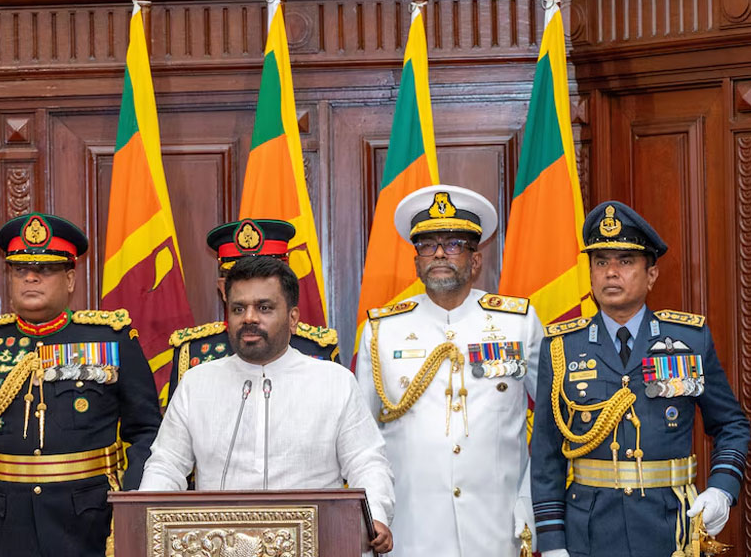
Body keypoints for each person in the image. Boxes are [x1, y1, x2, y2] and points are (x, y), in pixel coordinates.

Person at [531, 200, 750, 557]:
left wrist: (721, 489)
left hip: (668, 529)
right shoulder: (561, 347)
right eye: (601, 262)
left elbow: (731, 424)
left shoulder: (688, 340)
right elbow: (545, 454)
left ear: (651, 275)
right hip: (588, 532)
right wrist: (552, 542)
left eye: (625, 262)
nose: (611, 273)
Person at [141, 256, 394, 554]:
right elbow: (166, 465)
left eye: (264, 307)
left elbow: (367, 461)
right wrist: (147, 520)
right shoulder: (197, 384)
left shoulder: (334, 382)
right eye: (238, 308)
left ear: (293, 317)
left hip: (317, 544)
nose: (249, 317)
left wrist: (375, 516)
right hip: (220, 546)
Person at [0, 212, 161, 557]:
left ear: (71, 279)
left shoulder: (111, 339)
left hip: (89, 525)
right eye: (20, 270)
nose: (30, 278)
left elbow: (147, 432)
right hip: (3, 527)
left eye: (45, 270)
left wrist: (128, 506)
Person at [355, 184, 542, 557]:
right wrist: (374, 513)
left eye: (454, 243)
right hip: (409, 530)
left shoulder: (518, 322)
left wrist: (528, 503)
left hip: (497, 529)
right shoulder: (381, 330)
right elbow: (362, 439)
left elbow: (554, 422)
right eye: (427, 244)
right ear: (416, 261)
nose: (439, 253)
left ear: (476, 260)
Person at [168, 218, 338, 401]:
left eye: (264, 306)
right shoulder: (193, 351)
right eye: (240, 279)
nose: (250, 317)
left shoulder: (317, 349)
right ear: (224, 288)